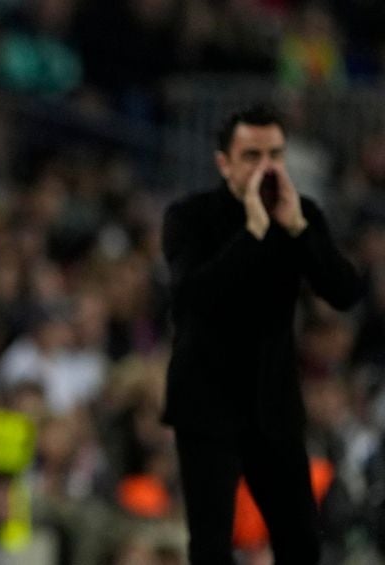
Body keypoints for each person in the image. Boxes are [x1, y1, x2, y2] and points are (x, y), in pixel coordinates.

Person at [161, 103, 364, 564]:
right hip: (206, 403)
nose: (266, 167)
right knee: (211, 545)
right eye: (252, 155)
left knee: (300, 540)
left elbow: (346, 292)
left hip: (272, 403)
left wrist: (297, 228)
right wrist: (252, 233)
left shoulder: (299, 213)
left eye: (275, 154)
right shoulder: (189, 217)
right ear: (224, 162)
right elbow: (193, 300)